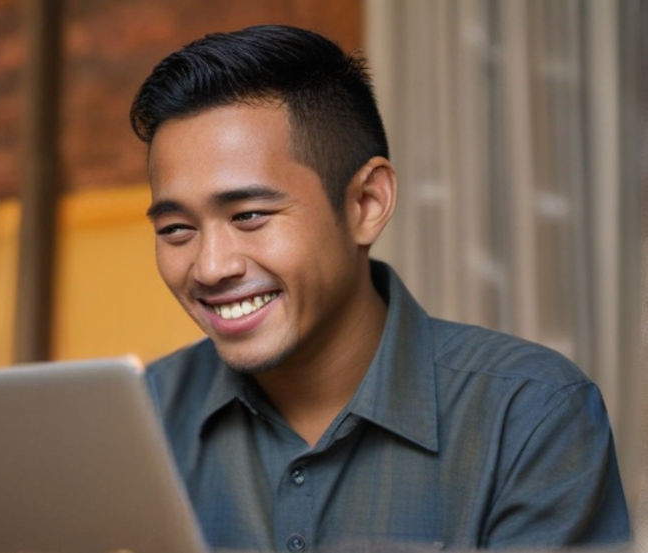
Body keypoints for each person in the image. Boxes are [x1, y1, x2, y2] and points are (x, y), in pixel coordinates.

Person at [130, 25, 630, 551]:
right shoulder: (142, 420)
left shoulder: (529, 414)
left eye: (250, 215)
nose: (210, 267)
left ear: (366, 204)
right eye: (175, 230)